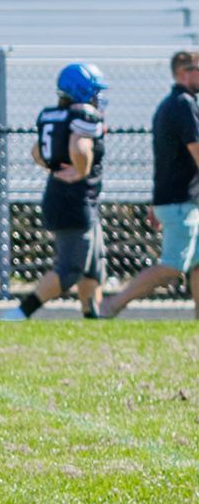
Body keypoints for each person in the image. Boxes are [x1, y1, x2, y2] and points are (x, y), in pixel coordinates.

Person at [0, 63, 107, 322]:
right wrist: (79, 171)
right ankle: (20, 313)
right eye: (95, 90)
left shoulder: (54, 115)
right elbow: (79, 146)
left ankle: (92, 317)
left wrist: (53, 167)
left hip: (67, 196)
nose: (98, 96)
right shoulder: (83, 114)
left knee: (94, 265)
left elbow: (37, 151)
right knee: (71, 268)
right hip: (74, 199)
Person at [102, 51, 199, 320]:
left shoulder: (169, 105)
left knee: (198, 265)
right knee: (173, 267)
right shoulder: (184, 105)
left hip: (179, 201)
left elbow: (166, 159)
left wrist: (157, 202)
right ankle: (112, 304)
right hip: (181, 203)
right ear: (184, 72)